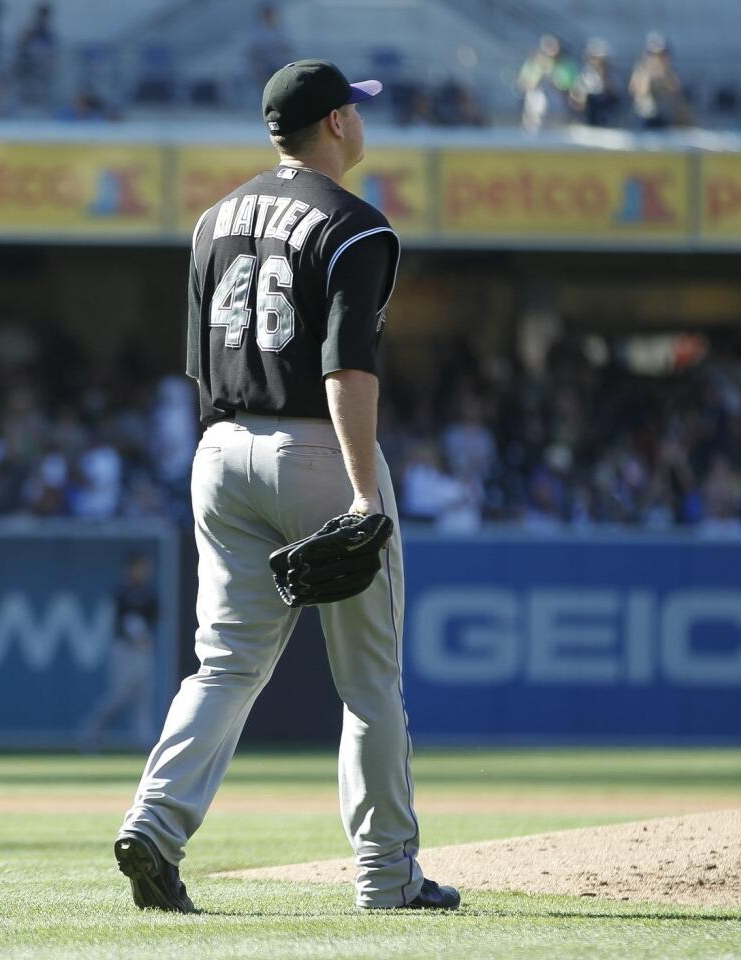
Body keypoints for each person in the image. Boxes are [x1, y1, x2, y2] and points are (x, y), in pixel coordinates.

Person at [114, 59, 459, 912]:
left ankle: (153, 824)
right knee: (369, 684)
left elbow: (200, 368)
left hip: (221, 446)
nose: (361, 120)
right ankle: (386, 876)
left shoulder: (211, 220)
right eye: (356, 109)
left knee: (222, 667)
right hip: (316, 448)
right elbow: (346, 365)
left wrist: (233, 455)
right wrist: (362, 492)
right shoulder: (356, 226)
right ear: (337, 123)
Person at [78, 552, 158, 751]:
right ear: (130, 569)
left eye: (145, 567)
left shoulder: (149, 592)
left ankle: (143, 741)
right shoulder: (121, 592)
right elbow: (124, 621)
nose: (143, 571)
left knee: (143, 697)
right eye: (139, 567)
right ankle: (90, 732)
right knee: (118, 696)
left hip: (144, 650)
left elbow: (153, 620)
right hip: (124, 649)